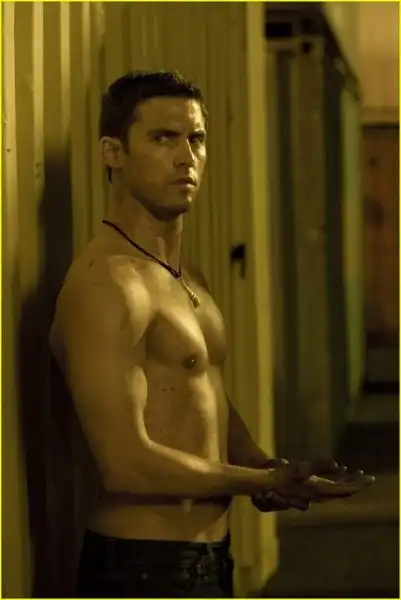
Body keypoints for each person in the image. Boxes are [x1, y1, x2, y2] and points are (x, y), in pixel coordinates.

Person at [49, 71, 374, 598]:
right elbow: (125, 465)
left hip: (206, 558)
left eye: (196, 139)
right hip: (142, 566)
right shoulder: (108, 284)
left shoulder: (183, 274)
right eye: (163, 138)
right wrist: (262, 482)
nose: (186, 157)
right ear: (113, 152)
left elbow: (200, 393)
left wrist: (266, 465)